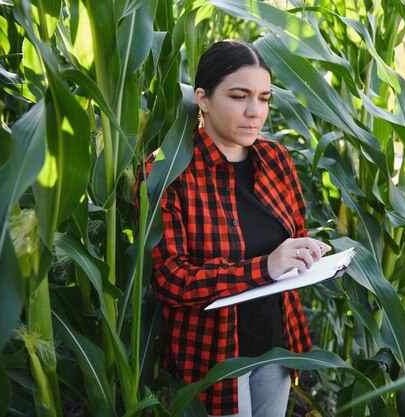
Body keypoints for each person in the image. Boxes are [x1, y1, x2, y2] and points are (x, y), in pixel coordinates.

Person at [139, 40, 330, 417]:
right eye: (240, 96)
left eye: (264, 98)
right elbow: (170, 279)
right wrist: (265, 267)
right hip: (211, 355)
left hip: (276, 340)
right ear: (203, 99)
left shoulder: (275, 159)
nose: (255, 112)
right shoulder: (166, 172)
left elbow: (295, 235)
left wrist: (306, 252)